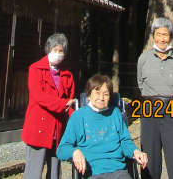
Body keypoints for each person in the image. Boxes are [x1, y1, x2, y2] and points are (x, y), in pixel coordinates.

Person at [57, 74, 148, 179]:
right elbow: (62, 149)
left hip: (118, 171)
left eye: (106, 94)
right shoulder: (78, 117)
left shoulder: (115, 113)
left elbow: (125, 142)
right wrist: (74, 152)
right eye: (97, 93)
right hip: (93, 173)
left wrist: (135, 151)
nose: (101, 98)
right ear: (88, 95)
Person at [136, 17, 173, 179]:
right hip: (149, 110)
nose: (162, 39)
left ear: (171, 37)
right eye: (159, 34)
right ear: (153, 36)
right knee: (150, 157)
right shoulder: (144, 59)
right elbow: (141, 84)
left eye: (165, 35)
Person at [22, 33, 78, 179]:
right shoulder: (35, 69)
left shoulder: (67, 74)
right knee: (33, 172)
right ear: (48, 49)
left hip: (57, 129)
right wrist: (63, 104)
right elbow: (40, 96)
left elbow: (70, 103)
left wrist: (76, 121)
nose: (58, 54)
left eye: (61, 51)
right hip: (38, 128)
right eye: (55, 50)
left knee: (55, 173)